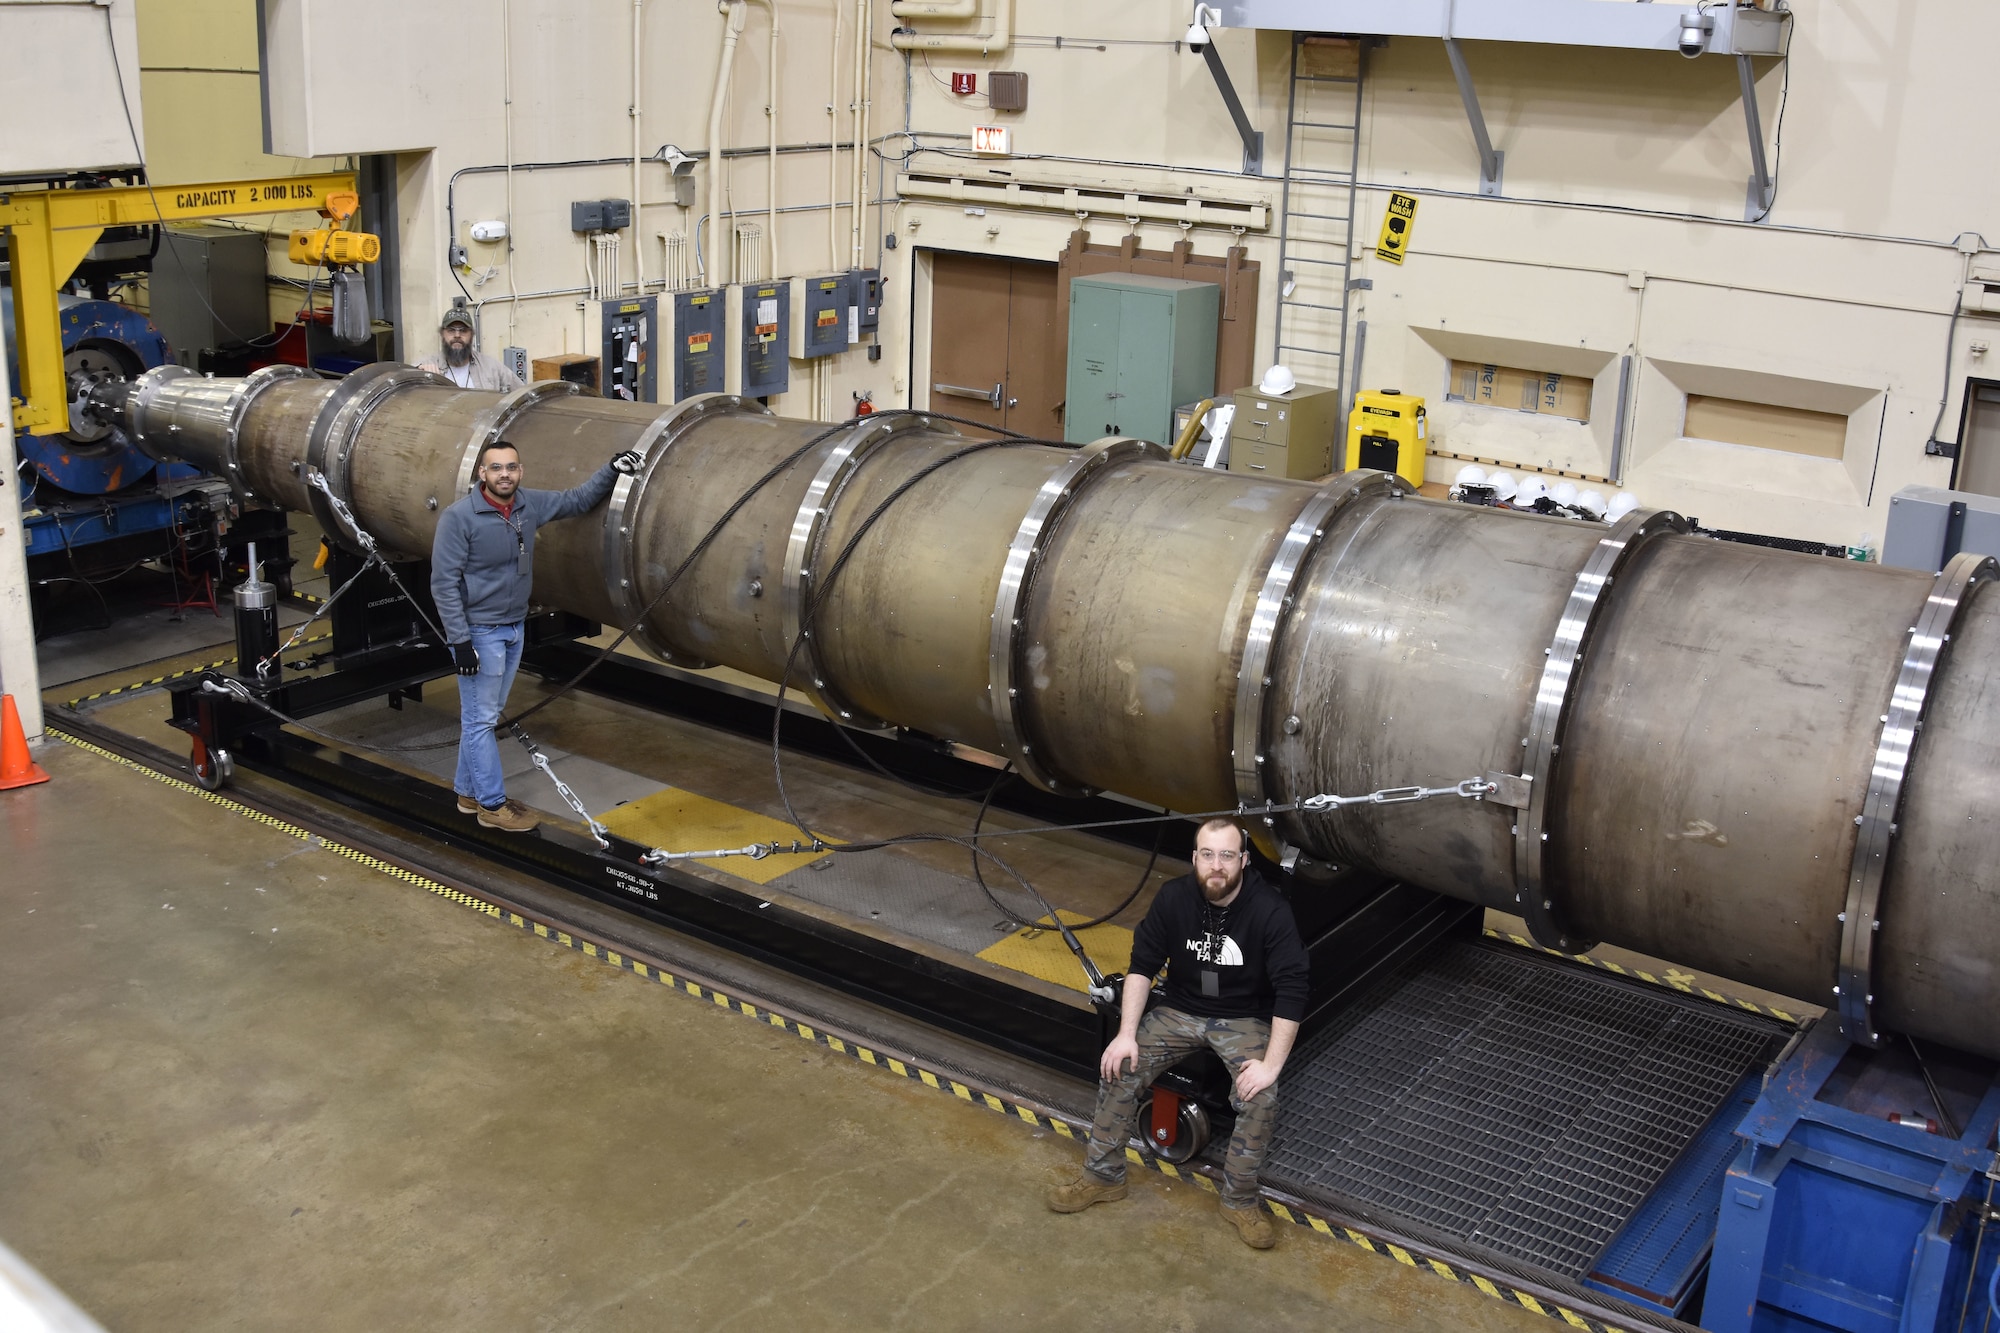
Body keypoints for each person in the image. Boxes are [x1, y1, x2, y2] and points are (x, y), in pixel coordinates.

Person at [1046, 817, 1310, 1249]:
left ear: (1243, 860)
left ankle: (1240, 1201)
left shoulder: (1269, 910)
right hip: (1181, 1009)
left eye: (1227, 855)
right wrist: (1126, 1033)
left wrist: (1271, 1066)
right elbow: (1141, 967)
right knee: (1119, 1065)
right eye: (1207, 855)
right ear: (1194, 858)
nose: (1216, 866)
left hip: (1244, 1018)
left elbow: (1293, 991)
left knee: (1260, 1096)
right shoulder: (1174, 898)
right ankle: (1103, 1176)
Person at [431, 439, 641, 831]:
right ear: (482, 473)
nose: (504, 474)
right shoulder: (459, 519)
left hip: (514, 627)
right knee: (480, 721)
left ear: (520, 471)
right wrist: (459, 641)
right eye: (496, 468)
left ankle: (466, 793)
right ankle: (492, 806)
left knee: (483, 716)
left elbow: (577, 500)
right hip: (481, 632)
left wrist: (611, 469)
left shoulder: (529, 506)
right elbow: (443, 584)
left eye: (511, 467)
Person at [417, 304, 517, 390]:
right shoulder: (427, 366)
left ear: (472, 334)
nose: (457, 335)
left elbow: (523, 395)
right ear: (442, 334)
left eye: (463, 330)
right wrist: (418, 374)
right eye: (451, 330)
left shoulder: (492, 367)